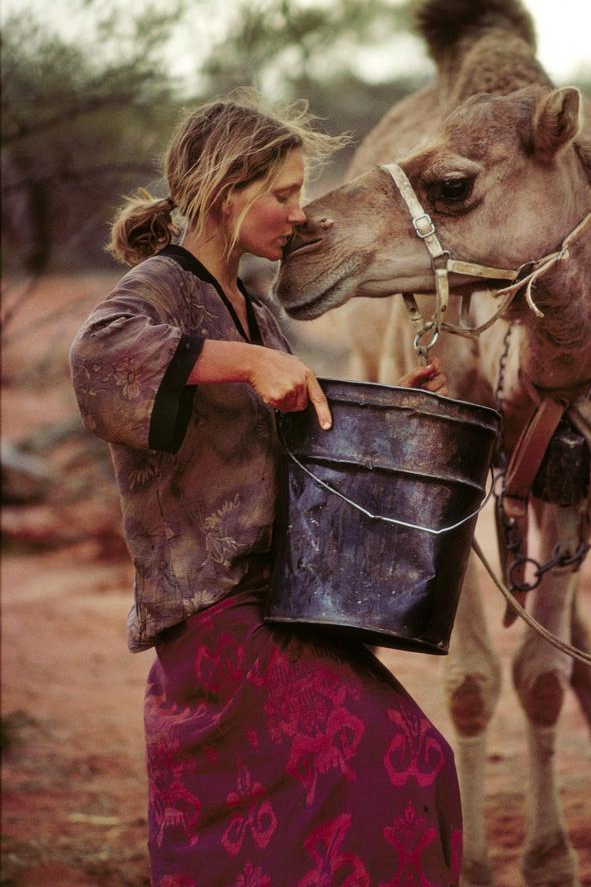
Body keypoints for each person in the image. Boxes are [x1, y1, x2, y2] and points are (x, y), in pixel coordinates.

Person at [69, 88, 462, 886]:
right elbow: (98, 358)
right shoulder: (157, 289)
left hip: (280, 601)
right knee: (395, 763)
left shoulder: (251, 304)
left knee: (413, 765)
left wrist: (390, 404)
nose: (299, 212)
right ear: (224, 191)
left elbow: (287, 442)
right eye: (283, 194)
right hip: (214, 617)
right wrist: (247, 362)